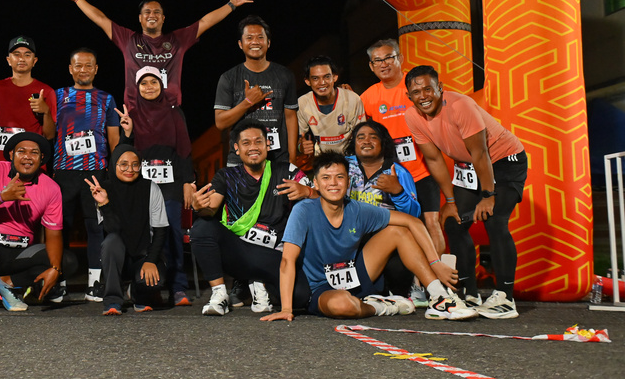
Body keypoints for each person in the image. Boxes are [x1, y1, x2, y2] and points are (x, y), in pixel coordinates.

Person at [261, 152, 477, 322]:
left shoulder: (357, 209)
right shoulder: (304, 210)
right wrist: (286, 309)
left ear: (348, 182)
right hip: (322, 287)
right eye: (326, 178)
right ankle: (381, 306)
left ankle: (439, 298)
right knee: (342, 306)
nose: (333, 183)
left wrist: (435, 263)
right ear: (316, 184)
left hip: (355, 275)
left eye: (339, 177)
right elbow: (287, 260)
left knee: (397, 231)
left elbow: (413, 222)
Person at [404, 65, 528, 319]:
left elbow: (480, 152)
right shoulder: (412, 116)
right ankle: (469, 293)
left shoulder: (461, 105)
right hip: (469, 165)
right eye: (416, 92)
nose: (423, 96)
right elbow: (435, 159)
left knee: (494, 220)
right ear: (409, 96)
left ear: (440, 88)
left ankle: (505, 297)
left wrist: (488, 196)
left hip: (504, 160)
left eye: (428, 89)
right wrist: (450, 201)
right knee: (454, 223)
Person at [58, 0, 254, 108]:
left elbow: (205, 22)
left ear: (163, 18)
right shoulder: (128, 39)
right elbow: (101, 19)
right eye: (147, 12)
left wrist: (231, 5)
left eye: (157, 12)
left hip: (169, 111)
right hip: (135, 112)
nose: (152, 15)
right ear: (140, 18)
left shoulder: (177, 40)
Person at [189, 119, 315, 316]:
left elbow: (323, 200)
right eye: (246, 143)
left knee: (300, 298)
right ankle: (220, 294)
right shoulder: (226, 176)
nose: (253, 147)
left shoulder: (287, 171)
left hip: (275, 255)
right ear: (237, 149)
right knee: (202, 227)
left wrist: (307, 191)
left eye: (258, 141)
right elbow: (210, 209)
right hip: (240, 252)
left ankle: (259, 283)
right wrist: (198, 207)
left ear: (268, 145)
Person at [0, 132, 77, 317]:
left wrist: (55, 269)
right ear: (12, 154)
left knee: (67, 262)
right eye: (21, 151)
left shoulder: (51, 187)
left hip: (20, 254)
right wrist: (2, 196)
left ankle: (5, 283)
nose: (27, 157)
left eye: (34, 152)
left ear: (42, 158)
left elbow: (53, 233)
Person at [118, 67, 196, 306]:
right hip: (141, 184)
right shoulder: (131, 114)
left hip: (171, 183)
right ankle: (142, 284)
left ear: (161, 85)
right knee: (143, 233)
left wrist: (188, 182)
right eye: (144, 83)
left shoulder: (174, 113)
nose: (149, 87)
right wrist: (127, 133)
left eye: (154, 82)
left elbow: (184, 150)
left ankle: (178, 287)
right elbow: (124, 152)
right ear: (137, 88)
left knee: (172, 232)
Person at [360, 39, 445, 255]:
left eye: (389, 58)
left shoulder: (416, 87)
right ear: (371, 66)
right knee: (401, 227)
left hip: (423, 171)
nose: (384, 64)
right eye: (378, 60)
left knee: (432, 223)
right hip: (393, 175)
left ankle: (438, 272)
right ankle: (414, 274)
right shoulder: (367, 97)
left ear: (400, 58)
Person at [52, 48, 121, 301]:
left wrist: (113, 173)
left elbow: (114, 139)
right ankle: (58, 282)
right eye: (78, 65)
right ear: (70, 69)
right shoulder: (57, 96)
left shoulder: (106, 99)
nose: (83, 70)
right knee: (61, 228)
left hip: (95, 172)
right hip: (64, 171)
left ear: (96, 69)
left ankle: (95, 284)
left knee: (95, 227)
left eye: (88, 65)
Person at [87, 145, 169, 315]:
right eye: (123, 164)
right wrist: (104, 203)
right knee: (111, 242)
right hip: (118, 258)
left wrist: (151, 260)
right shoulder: (103, 190)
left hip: (143, 254)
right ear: (113, 165)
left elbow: (160, 231)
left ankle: (138, 294)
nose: (130, 169)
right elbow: (112, 229)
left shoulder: (151, 188)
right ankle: (113, 300)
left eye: (135, 164)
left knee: (155, 281)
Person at [345, 120, 423, 300]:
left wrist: (398, 192)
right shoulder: (343, 166)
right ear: (354, 143)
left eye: (373, 137)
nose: (366, 141)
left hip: (385, 238)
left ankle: (407, 290)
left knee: (398, 268)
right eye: (361, 137)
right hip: (348, 236)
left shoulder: (398, 172)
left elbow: (414, 215)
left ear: (383, 143)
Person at [214, 15, 299, 166]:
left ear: (268, 42)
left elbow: (290, 117)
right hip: (240, 162)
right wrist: (247, 102)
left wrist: (292, 159)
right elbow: (220, 122)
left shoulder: (285, 75)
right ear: (240, 44)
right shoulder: (228, 78)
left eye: (260, 37)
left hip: (277, 160)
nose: (255, 42)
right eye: (249, 38)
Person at [0, 36, 56, 162]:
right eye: (17, 54)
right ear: (8, 60)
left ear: (34, 61)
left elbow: (49, 136)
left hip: (29, 164)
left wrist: (46, 111)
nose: (22, 59)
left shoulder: (46, 91)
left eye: (27, 55)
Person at [297, 55, 366, 157]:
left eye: (327, 77)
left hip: (350, 158)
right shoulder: (302, 103)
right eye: (315, 78)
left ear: (335, 77)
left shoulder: (352, 99)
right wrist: (301, 147)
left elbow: (362, 135)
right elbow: (299, 140)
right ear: (308, 81)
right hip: (322, 160)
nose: (322, 83)